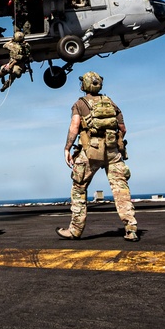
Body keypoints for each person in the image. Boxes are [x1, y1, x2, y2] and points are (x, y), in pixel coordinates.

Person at [56, 71, 139, 242]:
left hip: (90, 152)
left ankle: (75, 230)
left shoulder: (80, 104)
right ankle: (131, 228)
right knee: (121, 190)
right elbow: (122, 128)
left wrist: (67, 148)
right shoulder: (110, 103)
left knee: (79, 188)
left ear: (84, 86)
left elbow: (74, 127)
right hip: (112, 151)